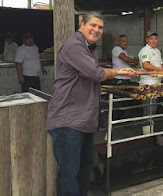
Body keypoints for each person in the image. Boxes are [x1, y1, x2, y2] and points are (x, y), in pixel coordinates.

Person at [46, 11, 136, 196]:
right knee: (69, 173)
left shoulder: (88, 48)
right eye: (93, 25)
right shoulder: (74, 46)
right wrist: (122, 72)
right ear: (82, 24)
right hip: (68, 120)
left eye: (100, 27)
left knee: (83, 169)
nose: (96, 30)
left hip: (84, 120)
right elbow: (97, 74)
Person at [138, 30, 163, 133]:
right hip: (148, 84)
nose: (153, 41)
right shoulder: (144, 51)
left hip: (157, 83)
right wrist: (162, 70)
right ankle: (146, 134)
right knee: (148, 109)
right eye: (151, 38)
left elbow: (160, 66)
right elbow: (146, 65)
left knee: (153, 109)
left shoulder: (157, 51)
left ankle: (150, 131)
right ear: (147, 40)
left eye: (155, 38)